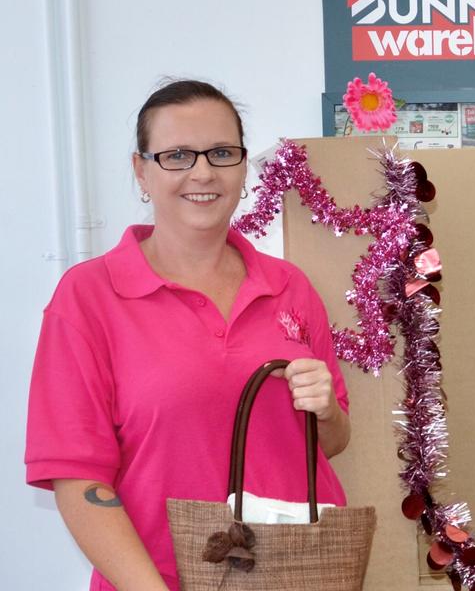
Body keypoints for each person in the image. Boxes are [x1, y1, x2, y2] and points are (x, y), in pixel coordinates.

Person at [25, 80, 353, 591]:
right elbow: (76, 477)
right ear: (141, 172)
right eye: (176, 155)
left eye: (221, 153)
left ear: (244, 167)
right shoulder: (89, 298)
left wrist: (327, 411)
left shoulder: (289, 287)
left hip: (295, 577)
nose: (202, 172)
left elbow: (329, 444)